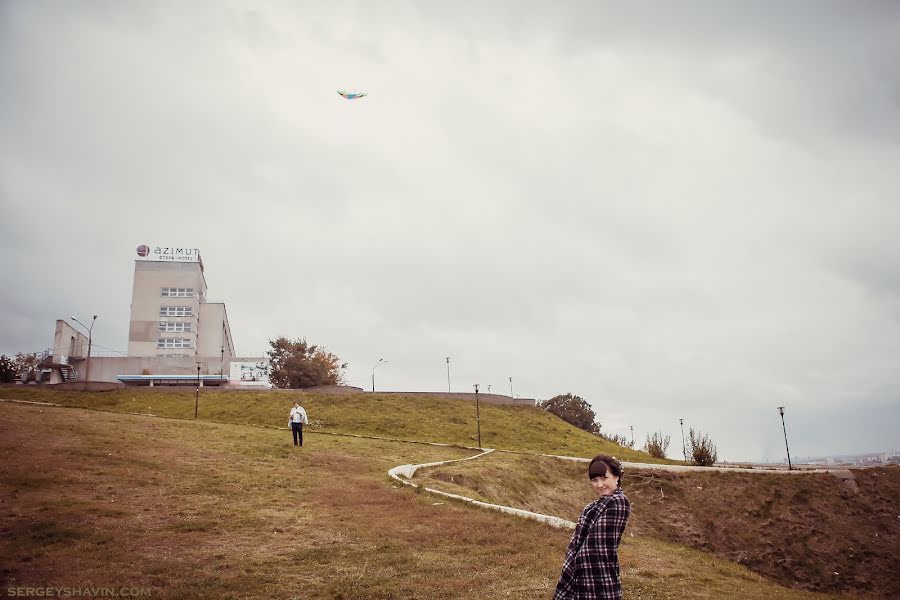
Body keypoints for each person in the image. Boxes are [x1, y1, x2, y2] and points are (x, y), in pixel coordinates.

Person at [553, 454, 631, 600]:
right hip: (579, 575)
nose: (599, 485)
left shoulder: (619, 502)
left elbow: (594, 546)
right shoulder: (591, 508)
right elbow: (575, 544)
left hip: (600, 577)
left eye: (604, 478)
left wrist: (571, 572)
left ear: (617, 477)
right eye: (594, 480)